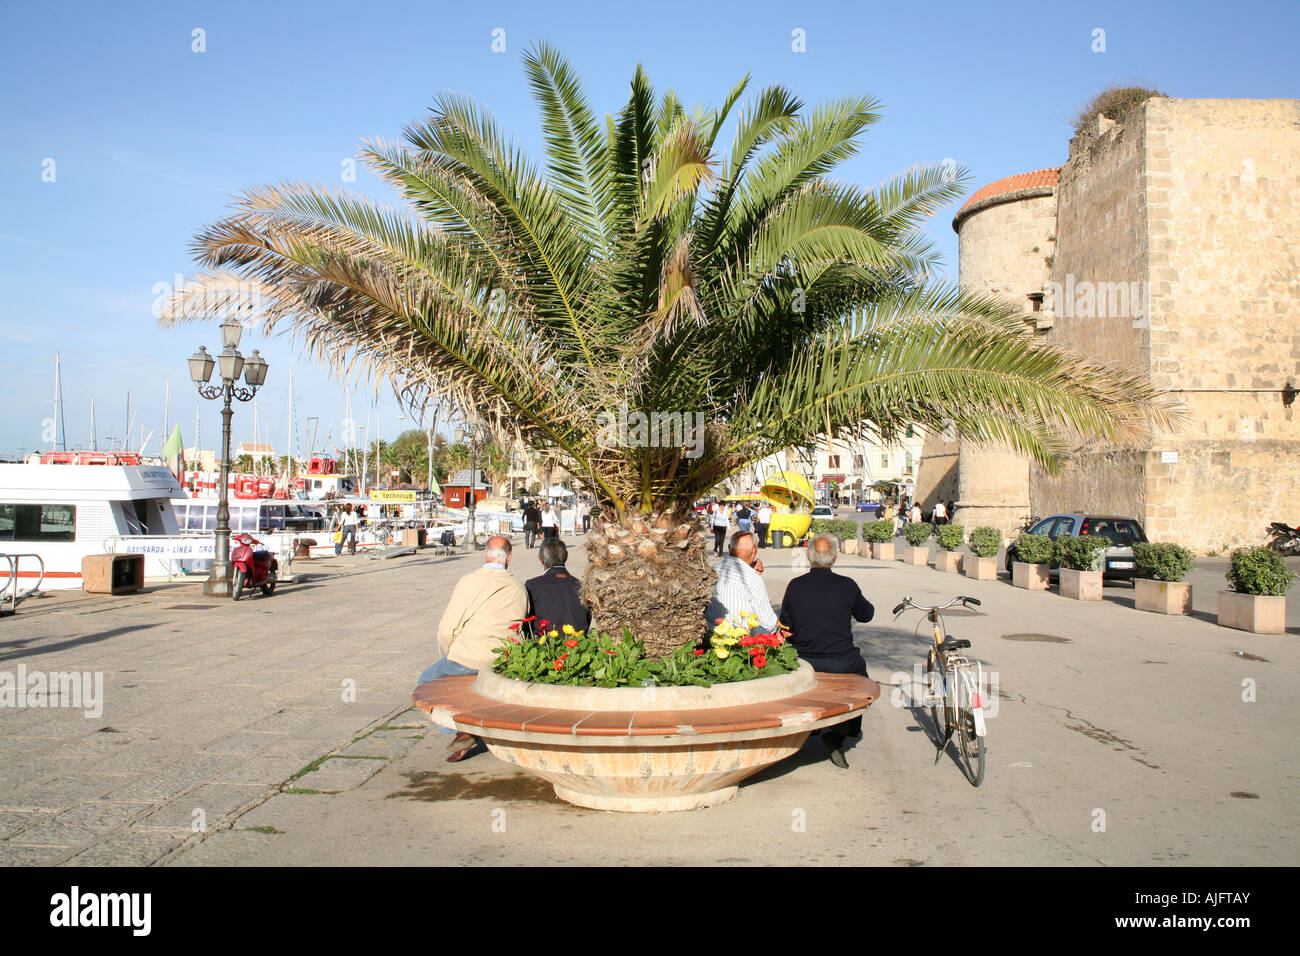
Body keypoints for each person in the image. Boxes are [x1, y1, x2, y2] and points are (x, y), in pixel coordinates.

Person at [417, 536, 528, 762]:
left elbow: (447, 628)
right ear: (508, 558)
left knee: (425, 682)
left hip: (468, 658)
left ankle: (461, 729)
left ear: (485, 554)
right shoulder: (517, 586)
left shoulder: (470, 581)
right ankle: (469, 729)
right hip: (503, 658)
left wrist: (449, 652)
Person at [778, 533, 875, 769]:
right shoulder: (847, 585)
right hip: (841, 661)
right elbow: (866, 614)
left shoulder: (796, 586)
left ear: (809, 556)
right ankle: (844, 730)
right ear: (835, 557)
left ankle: (812, 728)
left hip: (803, 661)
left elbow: (785, 624)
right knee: (862, 685)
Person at [705, 531, 779, 633]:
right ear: (754, 551)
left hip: (712, 632)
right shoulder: (752, 578)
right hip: (740, 638)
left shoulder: (714, 569)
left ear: (729, 547)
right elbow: (769, 623)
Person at [525, 538, 590, 635]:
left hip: (545, 645)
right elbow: (587, 619)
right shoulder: (581, 586)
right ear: (566, 556)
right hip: (578, 644)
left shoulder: (533, 586)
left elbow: (526, 623)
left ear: (541, 559)